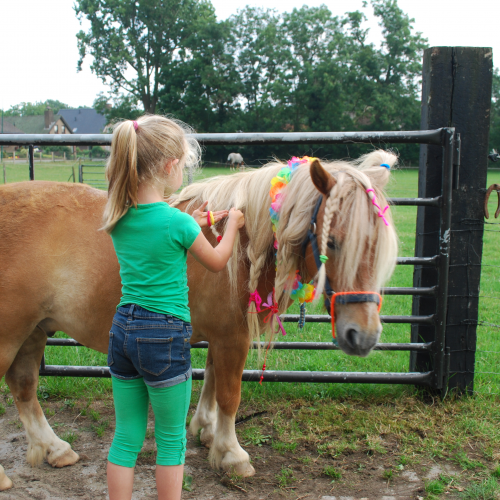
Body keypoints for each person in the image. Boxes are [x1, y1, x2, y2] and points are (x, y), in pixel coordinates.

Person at [102, 115, 245, 500]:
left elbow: (159, 249)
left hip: (123, 331)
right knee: (169, 441)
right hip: (163, 337)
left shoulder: (118, 216)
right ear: (169, 166)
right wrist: (232, 223)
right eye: (182, 162)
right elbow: (216, 260)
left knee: (127, 436)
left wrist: (188, 224)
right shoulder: (177, 223)